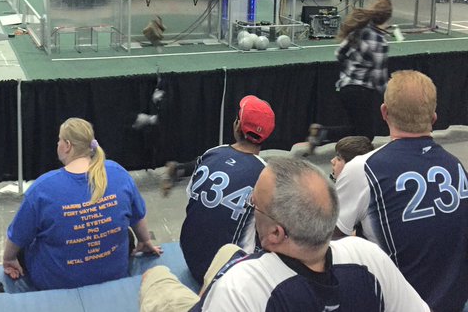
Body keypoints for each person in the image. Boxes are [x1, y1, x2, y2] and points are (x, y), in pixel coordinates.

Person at [140, 157, 428, 312]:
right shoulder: (368, 257)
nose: (252, 209)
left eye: (255, 205)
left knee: (155, 277)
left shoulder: (243, 286)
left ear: (276, 233)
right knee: (229, 252)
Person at [335, 70, 468, 312]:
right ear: (434, 117)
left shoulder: (363, 169)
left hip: (398, 303)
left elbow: (326, 241)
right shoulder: (457, 167)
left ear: (384, 112)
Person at [3, 118, 161, 292]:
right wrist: (145, 241)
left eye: (59, 140)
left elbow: (17, 236)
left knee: (24, 246)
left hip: (57, 282)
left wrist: (9, 259)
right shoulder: (117, 172)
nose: (57, 144)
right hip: (114, 273)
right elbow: (137, 216)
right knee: (126, 234)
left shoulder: (43, 188)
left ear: (67, 145)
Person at [178, 96, 274, 283]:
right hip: (227, 273)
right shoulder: (266, 175)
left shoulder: (212, 153)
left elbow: (192, 201)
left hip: (189, 255)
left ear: (237, 126)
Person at [308, 0, 391, 150]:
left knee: (358, 130)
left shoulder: (359, 31)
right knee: (365, 135)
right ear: (387, 18)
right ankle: (323, 133)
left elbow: (339, 53)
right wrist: (391, 99)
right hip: (361, 91)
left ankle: (323, 134)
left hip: (345, 87)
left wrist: (350, 69)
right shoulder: (380, 41)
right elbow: (379, 79)